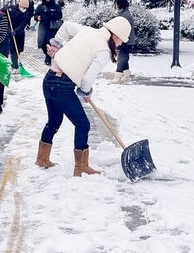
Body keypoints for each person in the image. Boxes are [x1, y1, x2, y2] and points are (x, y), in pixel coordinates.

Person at [35, 16, 131, 175]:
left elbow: (66, 27)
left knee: (54, 121)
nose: (121, 44)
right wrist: (85, 91)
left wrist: (56, 43)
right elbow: (88, 78)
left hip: (49, 80)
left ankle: (42, 158)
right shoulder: (104, 51)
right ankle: (81, 167)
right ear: (115, 34)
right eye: (121, 40)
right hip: (63, 86)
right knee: (83, 124)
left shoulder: (88, 31)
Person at [34, 0, 63, 65]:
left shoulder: (56, 6)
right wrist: (37, 17)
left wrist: (50, 13)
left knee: (49, 43)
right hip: (43, 27)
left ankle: (48, 58)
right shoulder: (40, 6)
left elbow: (59, 16)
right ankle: (47, 54)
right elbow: (35, 15)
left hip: (52, 28)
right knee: (43, 44)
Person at [112, 0, 136, 83]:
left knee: (122, 57)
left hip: (126, 40)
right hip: (127, 40)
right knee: (124, 57)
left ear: (119, 4)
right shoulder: (125, 14)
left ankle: (117, 76)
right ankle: (126, 74)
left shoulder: (125, 15)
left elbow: (126, 29)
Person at [6, 0, 32, 70]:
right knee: (12, 50)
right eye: (23, 7)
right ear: (20, 5)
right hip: (10, 34)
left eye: (26, 8)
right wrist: (5, 8)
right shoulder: (12, 9)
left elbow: (23, 25)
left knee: (18, 50)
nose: (24, 9)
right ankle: (15, 66)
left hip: (19, 35)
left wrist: (16, 31)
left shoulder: (26, 13)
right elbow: (3, 13)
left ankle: (15, 64)